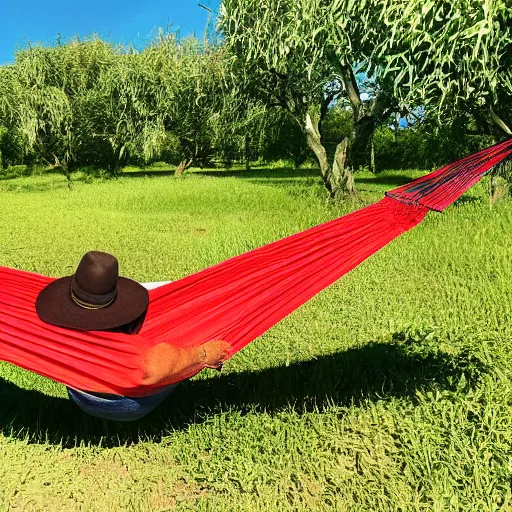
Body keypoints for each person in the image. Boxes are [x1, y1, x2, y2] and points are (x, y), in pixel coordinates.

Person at [35, 251, 230, 421]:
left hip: (79, 395)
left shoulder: (55, 324)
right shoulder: (131, 353)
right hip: (125, 406)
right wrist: (202, 354)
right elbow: (151, 369)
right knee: (184, 348)